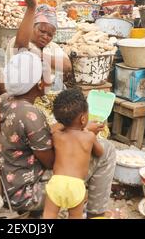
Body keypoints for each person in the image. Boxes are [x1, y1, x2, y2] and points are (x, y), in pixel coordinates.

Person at [0, 51, 116, 218]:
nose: (51, 77)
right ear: (39, 84)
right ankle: (96, 213)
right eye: (47, 74)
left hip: (11, 183)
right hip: (27, 194)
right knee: (107, 149)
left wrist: (75, 128)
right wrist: (81, 133)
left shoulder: (6, 99)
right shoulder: (31, 115)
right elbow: (52, 162)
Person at [42, 88, 104, 219]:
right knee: (75, 217)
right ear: (83, 119)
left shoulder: (57, 136)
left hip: (56, 183)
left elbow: (51, 130)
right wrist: (91, 134)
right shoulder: (89, 137)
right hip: (76, 186)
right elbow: (100, 153)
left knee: (49, 215)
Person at [6, 0, 72, 92]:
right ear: (33, 27)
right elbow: (21, 47)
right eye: (42, 31)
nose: (45, 37)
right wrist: (31, 8)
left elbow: (67, 66)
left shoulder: (53, 47)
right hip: (26, 95)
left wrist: (41, 56)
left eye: (50, 35)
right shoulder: (18, 40)